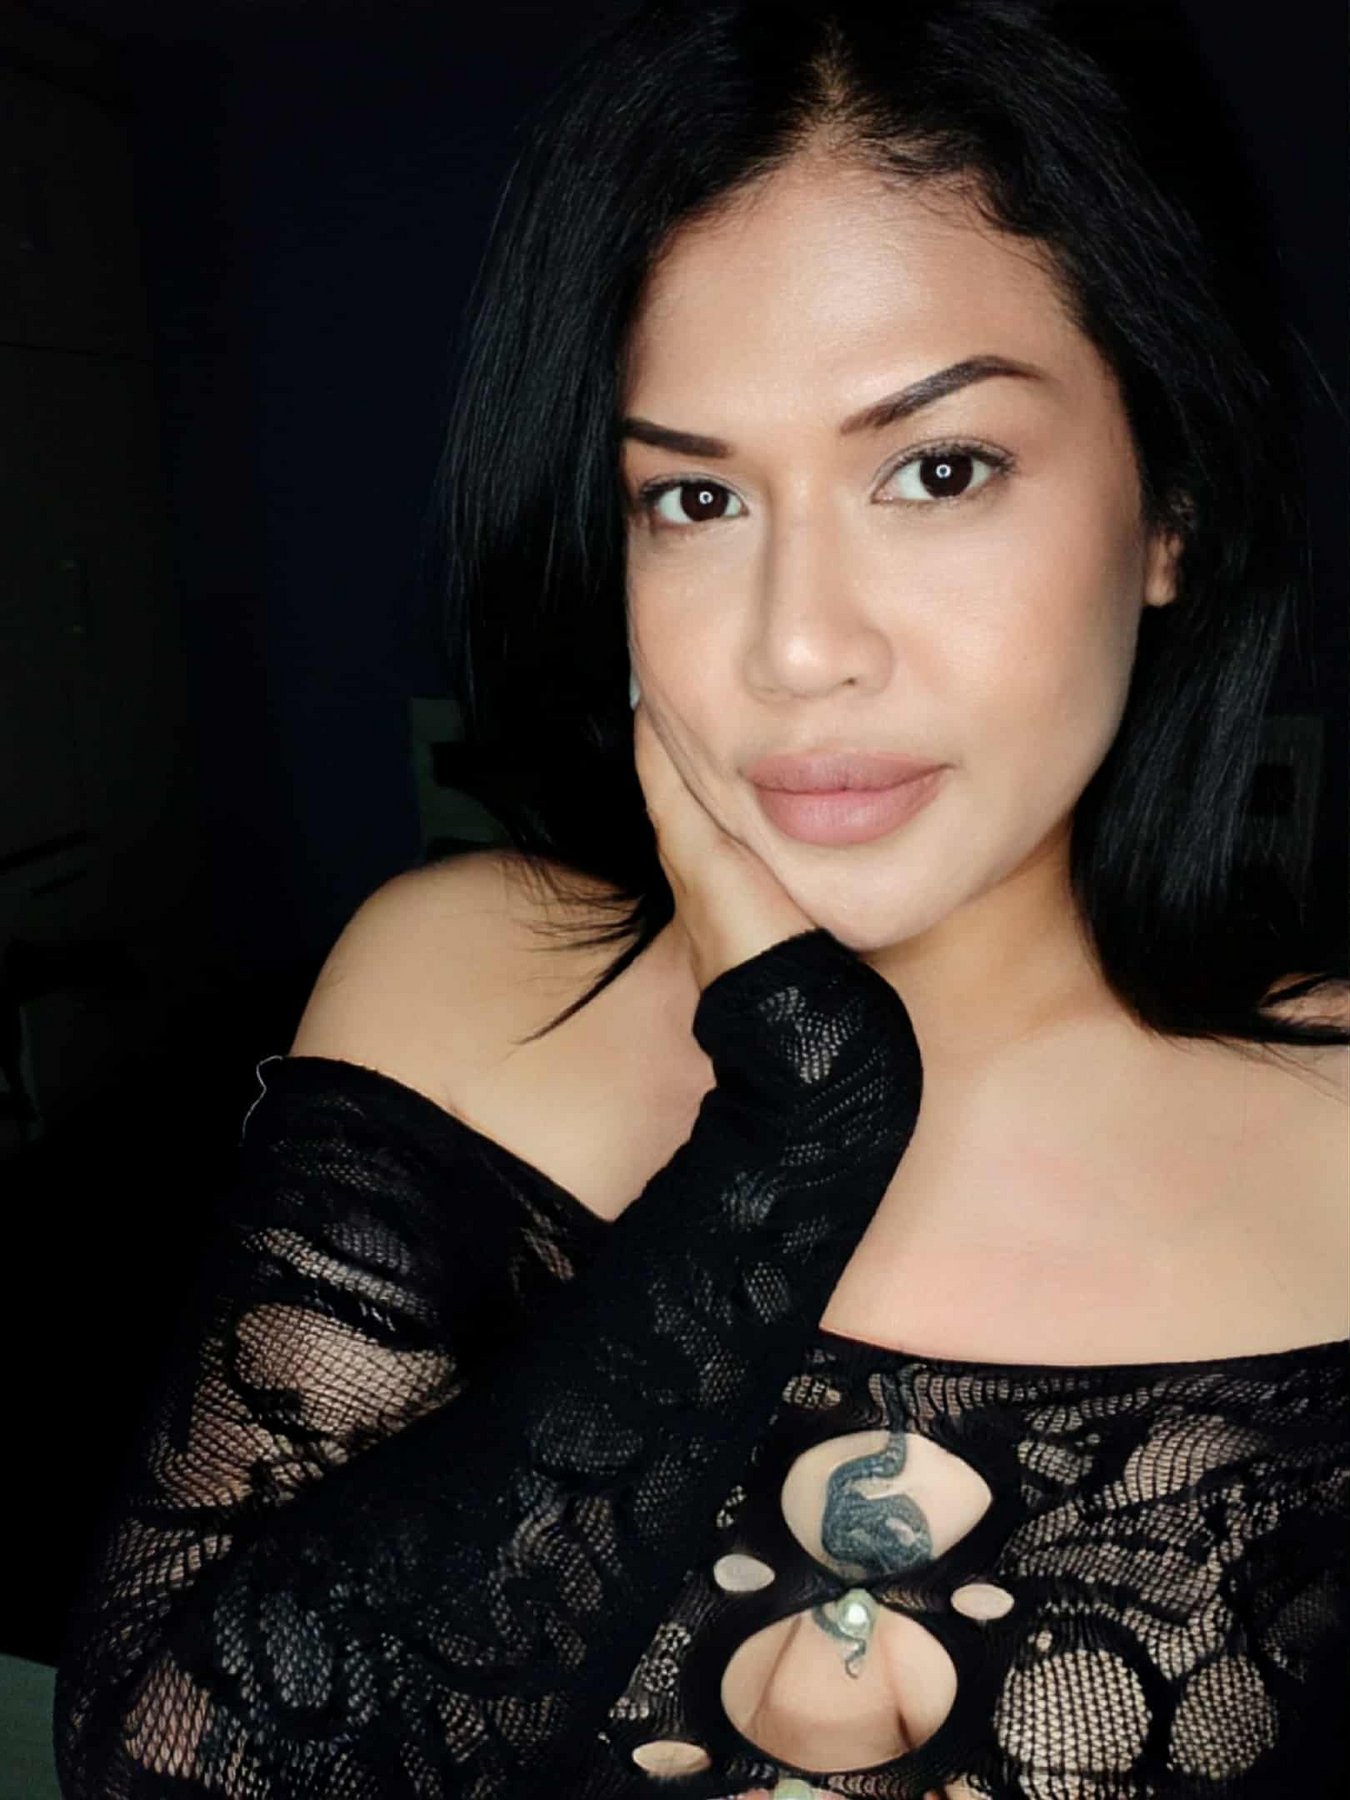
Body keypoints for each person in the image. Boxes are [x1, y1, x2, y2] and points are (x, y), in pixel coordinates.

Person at [52, 2, 1349, 1796]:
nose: (795, 647)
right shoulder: (463, 987)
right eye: (691, 497)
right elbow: (171, 1766)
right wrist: (790, 1143)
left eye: (937, 469)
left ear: (1168, 506)